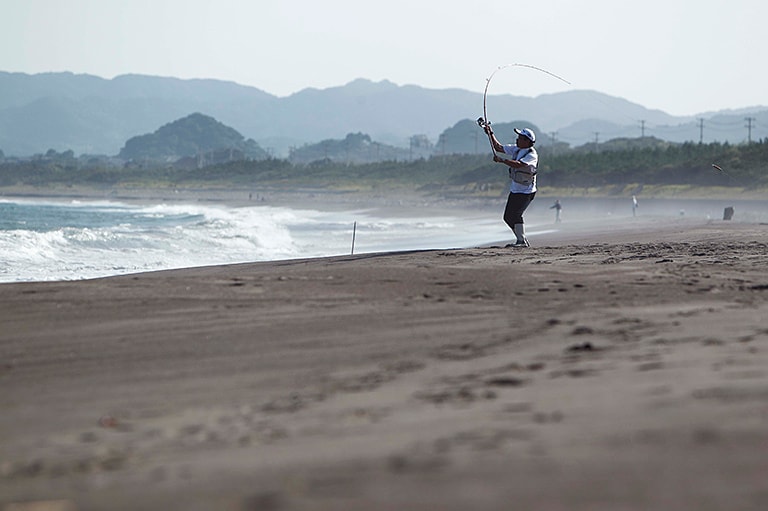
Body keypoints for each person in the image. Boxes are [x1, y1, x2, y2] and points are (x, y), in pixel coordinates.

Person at [482, 124, 538, 247]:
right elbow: (498, 147)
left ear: (527, 141)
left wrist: (502, 160)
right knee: (507, 217)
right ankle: (521, 239)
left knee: (516, 215)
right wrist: (490, 133)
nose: (517, 139)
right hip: (515, 189)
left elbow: (519, 164)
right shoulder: (516, 149)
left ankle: (521, 241)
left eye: (520, 138)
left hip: (527, 191)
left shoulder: (532, 154)